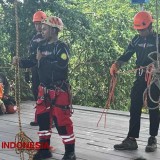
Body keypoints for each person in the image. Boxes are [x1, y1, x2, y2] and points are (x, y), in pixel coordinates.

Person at [13, 16, 76, 160]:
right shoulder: (40, 45)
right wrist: (20, 62)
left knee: (62, 121)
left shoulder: (61, 47)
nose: (42, 31)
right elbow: (33, 60)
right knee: (42, 119)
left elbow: (62, 65)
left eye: (45, 28)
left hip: (59, 90)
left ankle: (70, 152)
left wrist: (44, 59)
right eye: (42, 28)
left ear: (54, 30)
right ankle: (44, 149)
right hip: (44, 90)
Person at [110, 11, 160, 152]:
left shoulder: (158, 40)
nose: (141, 32)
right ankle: (131, 139)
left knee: (153, 106)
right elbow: (127, 54)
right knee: (135, 105)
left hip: (154, 78)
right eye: (138, 30)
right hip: (140, 76)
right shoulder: (136, 40)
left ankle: (152, 138)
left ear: (150, 27)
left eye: (143, 30)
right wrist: (117, 64)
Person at [19, 10, 47, 126]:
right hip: (36, 69)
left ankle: (49, 118)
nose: (37, 26)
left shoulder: (50, 37)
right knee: (36, 90)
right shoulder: (34, 38)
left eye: (39, 23)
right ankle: (39, 117)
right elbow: (31, 58)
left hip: (47, 70)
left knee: (46, 93)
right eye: (35, 24)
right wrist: (22, 64)